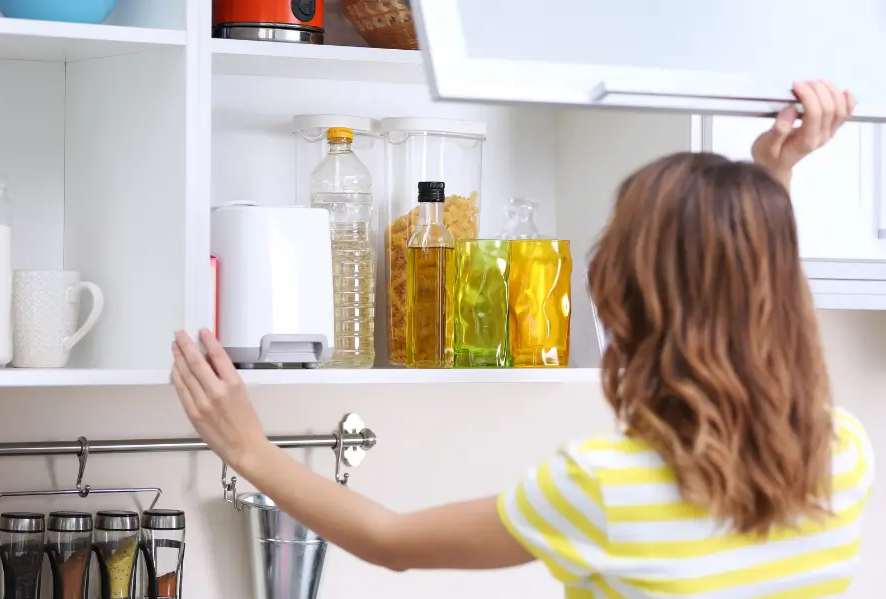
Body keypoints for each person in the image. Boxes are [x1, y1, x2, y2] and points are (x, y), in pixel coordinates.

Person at [171, 80, 874, 597]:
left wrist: (248, 448)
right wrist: (770, 177)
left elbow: (390, 542)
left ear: (627, 301)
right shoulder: (840, 455)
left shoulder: (603, 486)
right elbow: (758, 291)